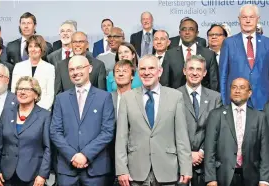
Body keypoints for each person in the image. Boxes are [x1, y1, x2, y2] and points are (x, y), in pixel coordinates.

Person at [115, 55, 192, 186]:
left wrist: (186, 168)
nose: (147, 72)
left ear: (160, 71)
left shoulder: (175, 97)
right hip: (136, 171)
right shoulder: (127, 98)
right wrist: (121, 170)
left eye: (151, 68)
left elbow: (181, 136)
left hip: (167, 170)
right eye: (143, 69)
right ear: (138, 73)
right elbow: (121, 137)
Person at [51, 56, 115, 185]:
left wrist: (85, 155)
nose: (75, 72)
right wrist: (73, 156)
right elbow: (55, 132)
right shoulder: (60, 99)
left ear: (90, 68)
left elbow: (107, 132)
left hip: (95, 169)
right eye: (71, 69)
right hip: (67, 170)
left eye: (79, 68)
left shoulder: (104, 97)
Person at [203, 78, 269, 186]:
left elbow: (265, 150)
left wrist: (264, 180)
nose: (237, 90)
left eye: (242, 87)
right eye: (234, 87)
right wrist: (211, 179)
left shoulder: (259, 117)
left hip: (251, 176)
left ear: (249, 93)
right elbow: (209, 149)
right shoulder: (216, 115)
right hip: (223, 175)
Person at [0, 76, 52, 186]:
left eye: (27, 89)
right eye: (19, 89)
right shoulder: (6, 113)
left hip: (33, 176)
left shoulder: (45, 116)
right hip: (6, 175)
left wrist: (43, 174)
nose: (22, 92)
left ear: (36, 94)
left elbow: (48, 148)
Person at [219, 4, 269, 110]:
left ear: (257, 19)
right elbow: (223, 75)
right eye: (244, 17)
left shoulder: (268, 43)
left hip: (263, 102)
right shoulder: (229, 43)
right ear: (239, 19)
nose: (247, 21)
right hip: (235, 102)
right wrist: (224, 102)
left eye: (251, 17)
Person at [177, 55, 222, 186]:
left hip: (207, 164)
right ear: (184, 71)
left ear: (204, 73)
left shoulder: (216, 98)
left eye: (199, 69)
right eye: (191, 69)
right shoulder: (173, 95)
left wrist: (201, 152)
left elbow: (217, 129)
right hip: (180, 164)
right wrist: (188, 154)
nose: (195, 73)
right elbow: (170, 129)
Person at [161, 17, 219, 91]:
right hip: (177, 99)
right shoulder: (170, 54)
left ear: (197, 33)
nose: (187, 32)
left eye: (191, 29)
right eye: (184, 29)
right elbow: (164, 84)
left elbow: (214, 83)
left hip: (203, 100)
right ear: (179, 33)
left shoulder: (209, 54)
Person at [10, 35, 55, 110]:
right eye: (30, 46)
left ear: (41, 49)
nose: (33, 49)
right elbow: (14, 91)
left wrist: (38, 111)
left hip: (42, 111)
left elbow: (50, 95)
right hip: (21, 111)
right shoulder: (18, 67)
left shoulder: (49, 68)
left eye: (36, 46)